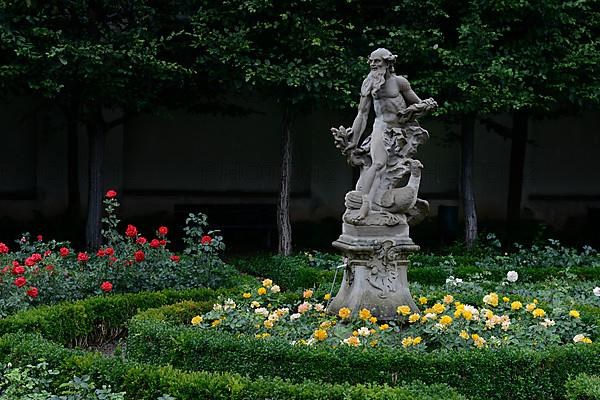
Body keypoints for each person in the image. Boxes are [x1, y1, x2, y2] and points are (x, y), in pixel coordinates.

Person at [343, 48, 428, 220]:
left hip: (401, 133)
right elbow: (362, 114)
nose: (373, 65)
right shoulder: (368, 83)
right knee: (378, 164)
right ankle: (365, 205)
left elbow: (419, 104)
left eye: (377, 61)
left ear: (388, 63)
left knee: (391, 173)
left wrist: (423, 106)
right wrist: (354, 140)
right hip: (381, 127)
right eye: (371, 61)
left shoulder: (400, 82)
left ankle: (381, 203)